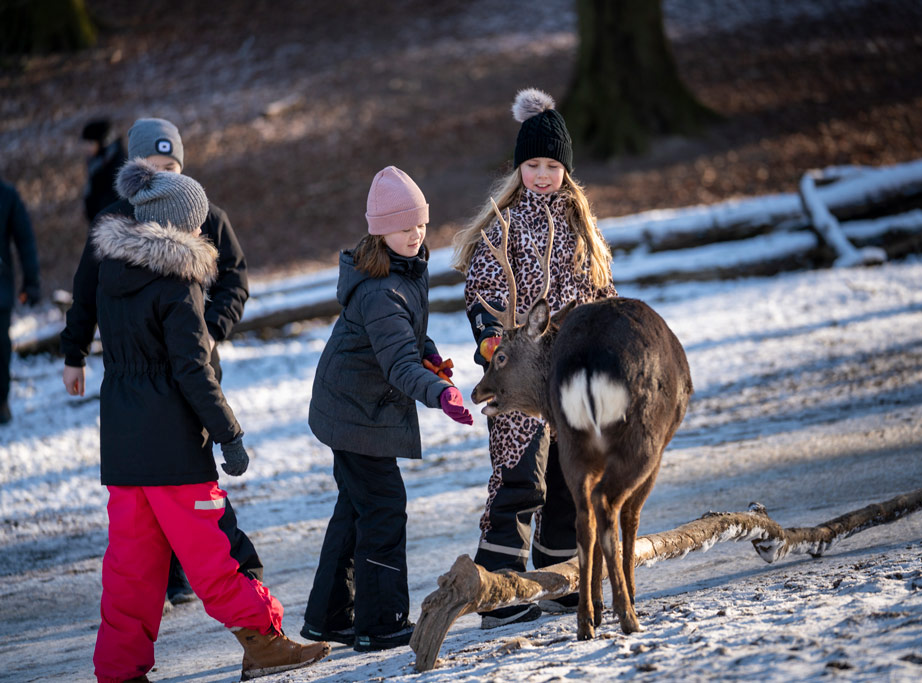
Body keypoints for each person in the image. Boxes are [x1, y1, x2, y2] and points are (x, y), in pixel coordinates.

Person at [69, 158, 329, 682]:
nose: (200, 230)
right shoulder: (177, 281)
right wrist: (229, 433)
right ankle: (265, 640)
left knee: (131, 571)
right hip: (173, 448)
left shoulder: (111, 274)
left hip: (122, 448)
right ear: (172, 223)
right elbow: (192, 370)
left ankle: (119, 669)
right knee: (212, 555)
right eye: (194, 221)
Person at [61, 117, 249, 607]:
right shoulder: (115, 226)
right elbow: (85, 292)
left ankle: (201, 569)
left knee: (189, 468)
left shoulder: (202, 214)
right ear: (135, 171)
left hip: (194, 363)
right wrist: (74, 352)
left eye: (172, 165)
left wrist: (208, 327)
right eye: (154, 166)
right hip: (142, 372)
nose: (164, 173)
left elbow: (234, 278)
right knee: (156, 478)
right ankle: (176, 575)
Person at [450, 88, 617, 629]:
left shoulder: (583, 230)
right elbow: (483, 294)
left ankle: (560, 576)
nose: (543, 175)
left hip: (571, 378)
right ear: (518, 168)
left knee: (571, 479)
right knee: (521, 479)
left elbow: (600, 293)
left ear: (566, 169)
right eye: (533, 165)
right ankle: (498, 589)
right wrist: (496, 345)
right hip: (520, 379)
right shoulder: (503, 227)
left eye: (552, 166)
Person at [300, 166, 474, 652]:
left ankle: (328, 617)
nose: (416, 234)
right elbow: (397, 363)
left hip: (352, 407)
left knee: (355, 510)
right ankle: (381, 623)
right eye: (404, 227)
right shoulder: (381, 289)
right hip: (356, 414)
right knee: (382, 509)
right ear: (380, 231)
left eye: (419, 224)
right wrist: (437, 392)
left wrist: (431, 355)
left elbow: (406, 340)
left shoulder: (402, 268)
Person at [0, 176, 41, 425]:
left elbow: (25, 240)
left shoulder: (7, 196)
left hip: (0, 292)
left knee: (0, 348)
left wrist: (31, 283)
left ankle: (1, 401)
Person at [81, 118, 127, 222]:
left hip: (111, 223)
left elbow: (113, 198)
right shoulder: (98, 162)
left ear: (102, 142)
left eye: (90, 143)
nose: (86, 148)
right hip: (101, 221)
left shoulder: (116, 165)